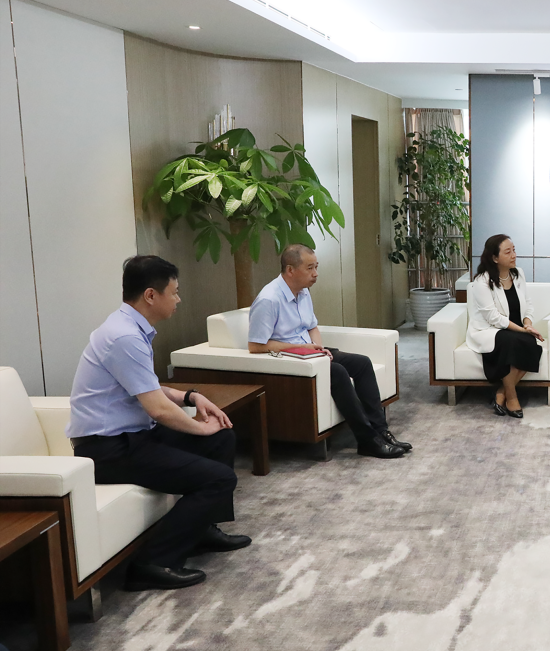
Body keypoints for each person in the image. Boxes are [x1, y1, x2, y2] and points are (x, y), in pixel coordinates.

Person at [67, 256, 250, 591]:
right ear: (151, 295)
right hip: (108, 450)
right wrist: (199, 426)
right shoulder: (123, 337)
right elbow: (158, 410)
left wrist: (191, 397)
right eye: (175, 292)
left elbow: (149, 387)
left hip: (133, 437)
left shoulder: (130, 328)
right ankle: (152, 563)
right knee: (218, 478)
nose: (179, 299)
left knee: (221, 438)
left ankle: (202, 529)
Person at [248, 244, 409, 459]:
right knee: (338, 371)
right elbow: (256, 346)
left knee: (362, 363)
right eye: (310, 268)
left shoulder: (303, 292)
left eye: (316, 267)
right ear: (290, 270)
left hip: (310, 353)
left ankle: (381, 431)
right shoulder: (268, 299)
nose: (315, 274)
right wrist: (303, 348)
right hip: (290, 359)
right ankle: (367, 440)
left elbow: (312, 326)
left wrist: (320, 349)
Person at [467, 234, 544, 419]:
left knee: (531, 344)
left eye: (514, 250)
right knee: (510, 341)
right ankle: (512, 397)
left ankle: (500, 393)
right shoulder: (482, 282)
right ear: (495, 258)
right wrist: (522, 330)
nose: (514, 255)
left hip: (515, 329)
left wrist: (527, 324)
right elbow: (493, 318)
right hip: (489, 330)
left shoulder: (518, 274)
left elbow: (528, 304)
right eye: (508, 252)